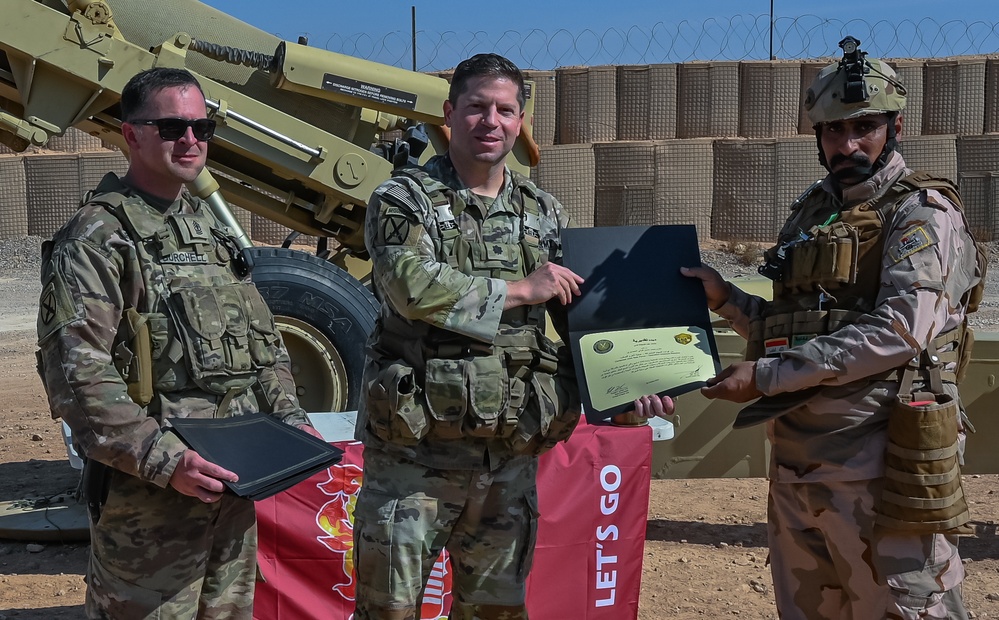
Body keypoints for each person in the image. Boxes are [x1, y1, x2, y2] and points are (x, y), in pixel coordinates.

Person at [353, 53, 672, 620]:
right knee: (389, 612)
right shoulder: (404, 199)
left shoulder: (543, 211)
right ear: (450, 114)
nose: (490, 121)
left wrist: (628, 386)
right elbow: (409, 286)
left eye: (505, 110)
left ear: (521, 121)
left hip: (506, 458)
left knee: (496, 612)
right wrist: (520, 291)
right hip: (414, 460)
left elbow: (583, 316)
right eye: (476, 107)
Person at [683, 37, 986, 619]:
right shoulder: (814, 210)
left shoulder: (920, 213)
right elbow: (796, 327)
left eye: (864, 127)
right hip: (801, 462)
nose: (848, 144)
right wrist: (727, 300)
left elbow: (901, 328)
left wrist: (769, 376)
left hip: (882, 466)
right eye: (832, 131)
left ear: (895, 126)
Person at [35, 67, 320, 619]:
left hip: (232, 492)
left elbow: (264, 346)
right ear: (131, 134)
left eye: (201, 127)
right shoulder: (97, 238)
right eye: (171, 127)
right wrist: (169, 461)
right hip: (151, 503)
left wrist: (289, 421)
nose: (190, 140)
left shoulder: (209, 232)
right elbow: (77, 374)